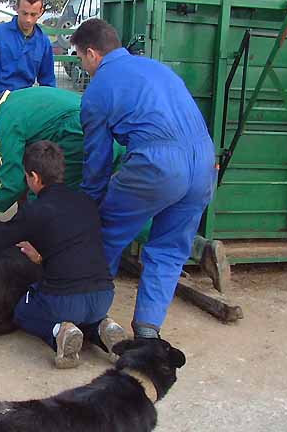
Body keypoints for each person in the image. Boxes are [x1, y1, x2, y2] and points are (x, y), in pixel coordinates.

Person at [71, 18, 217, 340]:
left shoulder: (98, 90)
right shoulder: (158, 68)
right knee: (168, 249)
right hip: (205, 161)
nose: (83, 66)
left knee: (104, 234)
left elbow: (97, 165)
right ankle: (148, 332)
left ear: (92, 54)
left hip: (158, 164)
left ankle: (88, 314)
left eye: (81, 58)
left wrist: (86, 211)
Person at [0, 140, 126, 369]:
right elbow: (74, 247)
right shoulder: (85, 202)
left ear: (35, 177)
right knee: (84, 309)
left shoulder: (35, 211)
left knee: (23, 311)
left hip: (64, 302)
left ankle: (58, 332)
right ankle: (102, 327)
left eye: (27, 176)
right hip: (104, 295)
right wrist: (41, 257)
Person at [0, 87, 125, 226]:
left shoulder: (2, 120)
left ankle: (42, 240)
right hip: (106, 135)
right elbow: (38, 131)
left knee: (43, 190)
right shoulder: (15, 100)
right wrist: (5, 161)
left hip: (80, 137)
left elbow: (13, 179)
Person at [0, 0, 56, 161]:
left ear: (41, 12)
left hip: (25, 109)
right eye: (24, 13)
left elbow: (48, 82)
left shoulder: (43, 42)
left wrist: (46, 111)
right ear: (16, 8)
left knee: (22, 160)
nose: (28, 19)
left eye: (33, 14)